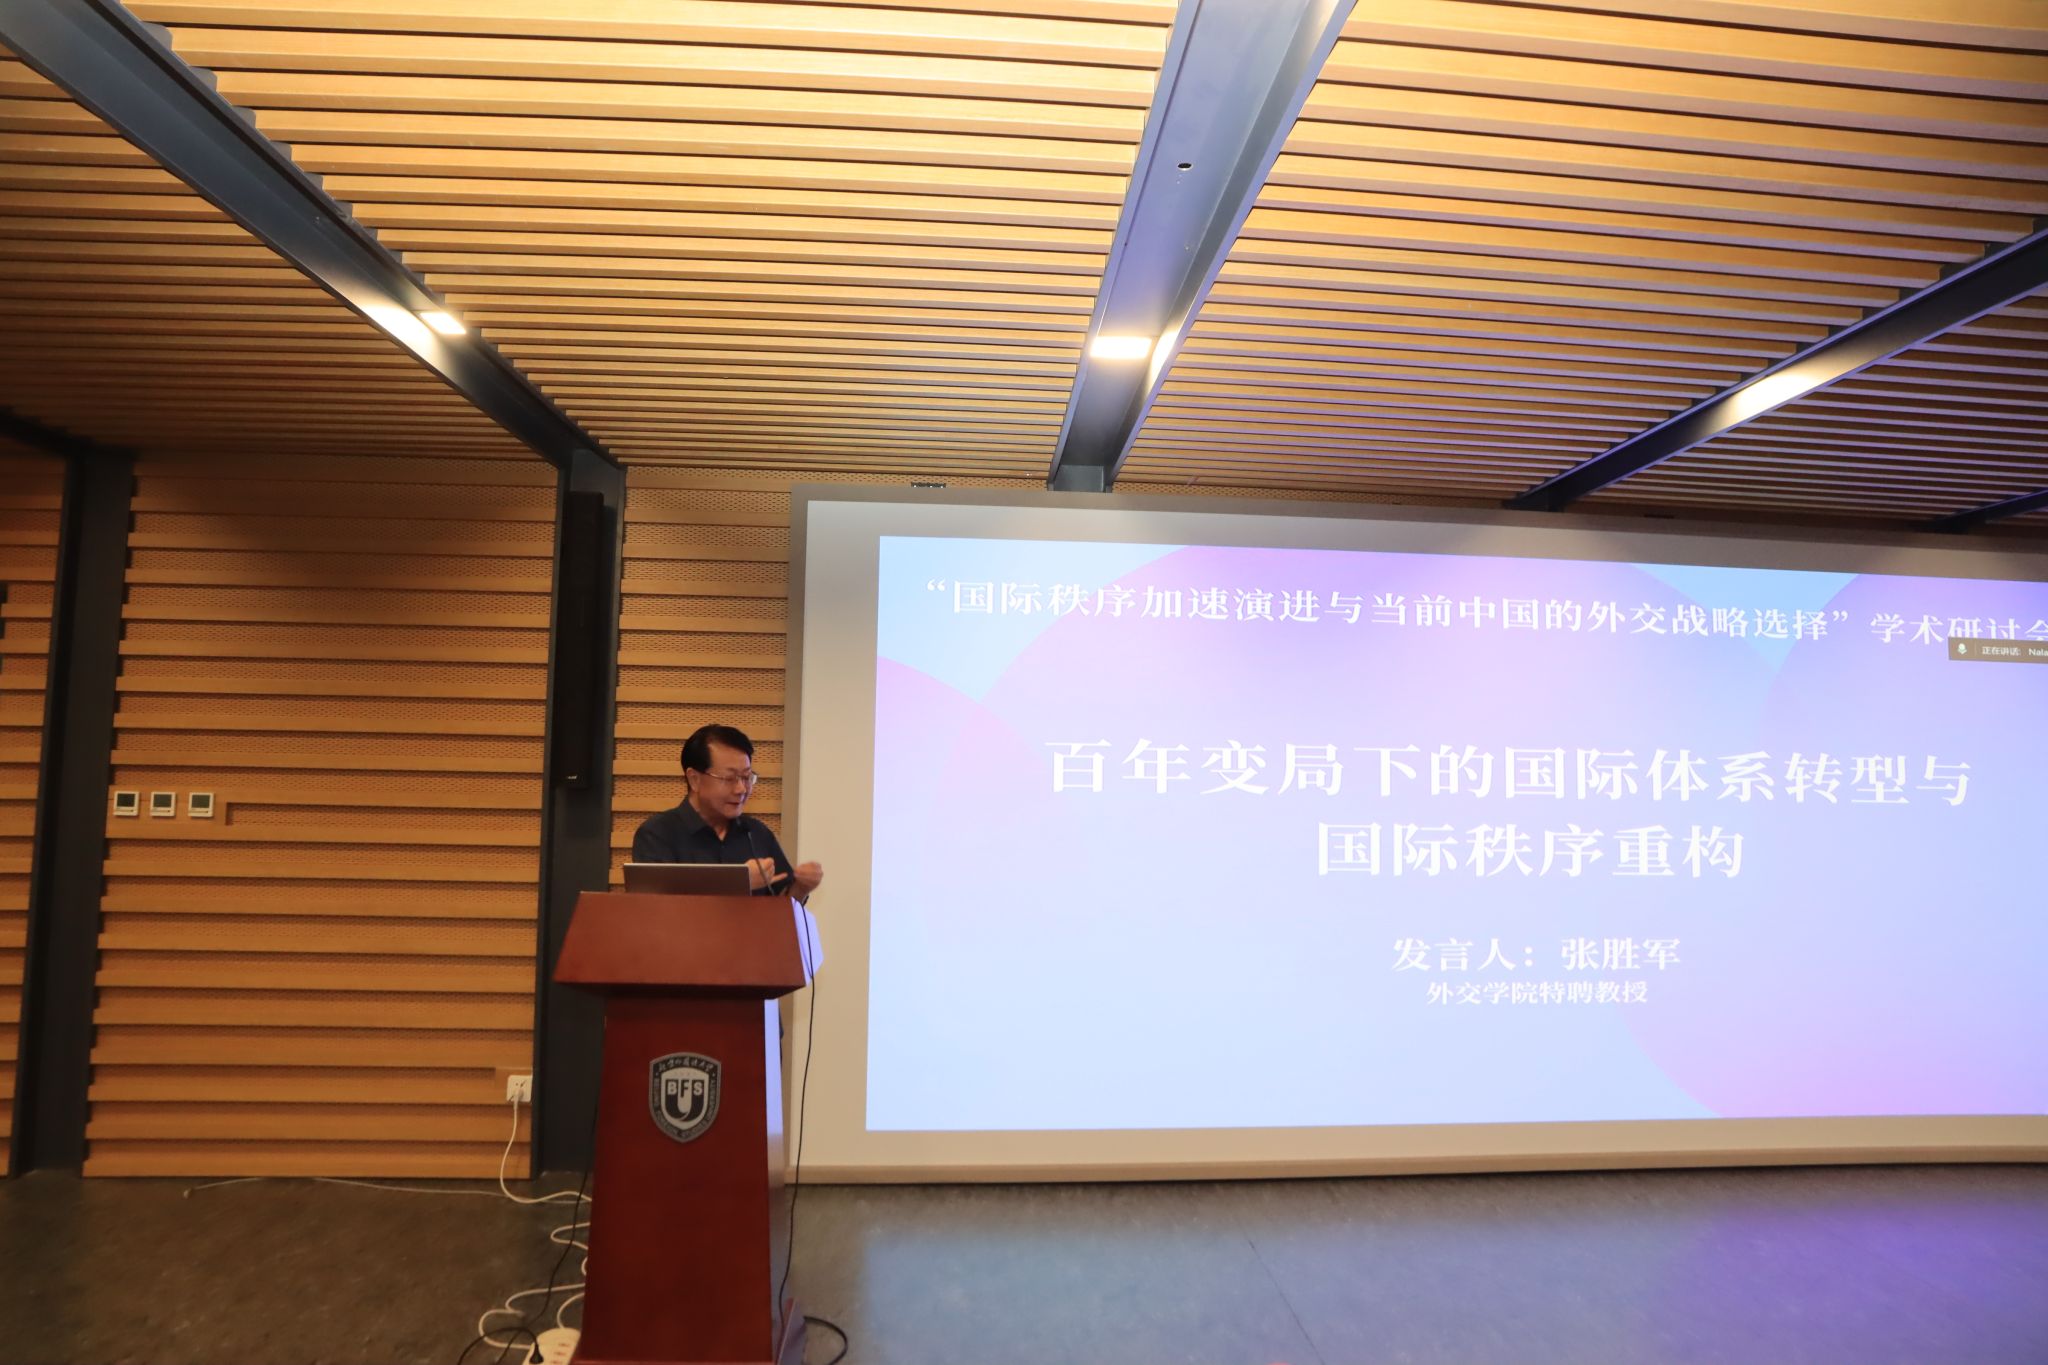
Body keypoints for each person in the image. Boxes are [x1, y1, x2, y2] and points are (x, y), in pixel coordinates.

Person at [631, 723, 823, 901]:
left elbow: (782, 907)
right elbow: (656, 909)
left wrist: (801, 887)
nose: (741, 789)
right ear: (694, 779)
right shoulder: (657, 834)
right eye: (729, 778)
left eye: (746, 777)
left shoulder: (756, 833)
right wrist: (739, 882)